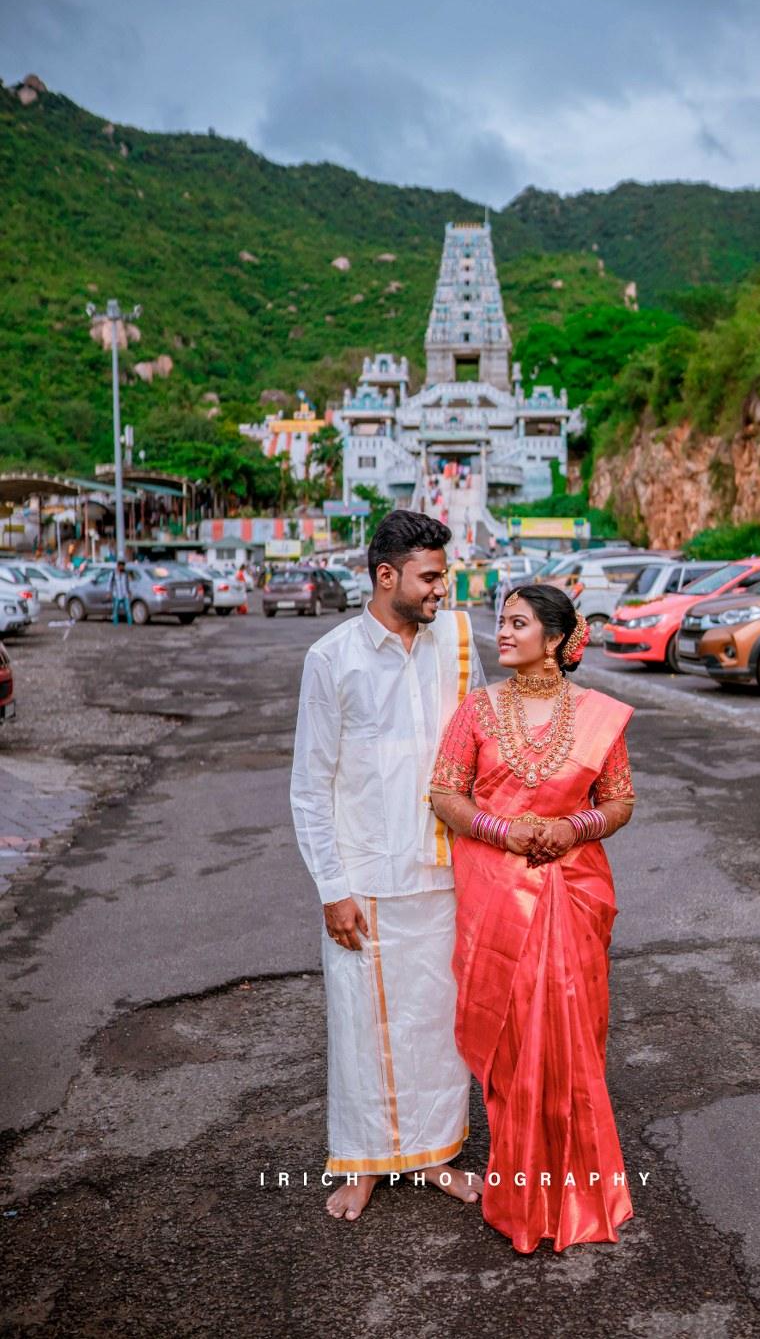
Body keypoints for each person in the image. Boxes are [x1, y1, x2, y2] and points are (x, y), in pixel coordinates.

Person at [290, 510, 486, 1223]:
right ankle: (366, 1161)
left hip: (443, 871)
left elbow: (482, 752)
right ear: (385, 576)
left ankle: (434, 1154)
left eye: (444, 574)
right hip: (365, 878)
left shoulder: (457, 644)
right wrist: (331, 888)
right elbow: (311, 786)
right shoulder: (332, 658)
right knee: (362, 1027)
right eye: (431, 575)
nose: (444, 587)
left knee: (437, 1024)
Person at [429, 584, 636, 1253]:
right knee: (514, 1041)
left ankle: (574, 1188)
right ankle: (518, 1185)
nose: (503, 633)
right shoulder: (477, 710)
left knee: (573, 1036)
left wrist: (570, 825)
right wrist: (501, 829)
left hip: (572, 890)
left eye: (518, 623)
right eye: (501, 622)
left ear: (556, 637)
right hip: (496, 889)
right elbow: (444, 794)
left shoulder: (599, 715)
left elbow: (620, 801)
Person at [108, 559, 133, 626]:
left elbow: (128, 583)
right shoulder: (113, 574)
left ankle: (130, 624)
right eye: (121, 566)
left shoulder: (126, 574)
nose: (122, 567)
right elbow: (110, 584)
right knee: (115, 610)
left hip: (125, 594)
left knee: (128, 609)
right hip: (116, 594)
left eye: (123, 566)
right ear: (118, 566)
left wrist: (129, 591)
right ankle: (115, 624)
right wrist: (109, 593)